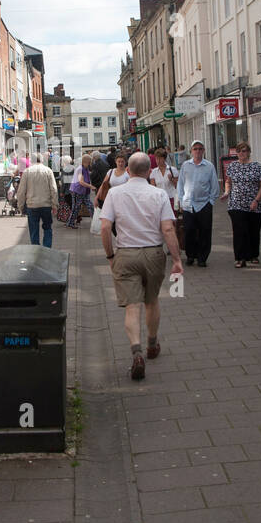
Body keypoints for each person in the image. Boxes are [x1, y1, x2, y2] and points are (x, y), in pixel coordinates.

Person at [100, 152, 184, 381]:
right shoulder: (158, 194)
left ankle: (136, 352)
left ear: (128, 170)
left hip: (126, 254)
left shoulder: (115, 193)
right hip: (154, 253)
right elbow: (168, 229)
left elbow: (105, 228)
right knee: (152, 300)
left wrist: (110, 256)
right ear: (149, 171)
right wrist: (176, 260)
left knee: (132, 306)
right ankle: (152, 344)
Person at [223, 142, 261, 267]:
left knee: (253, 230)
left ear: (249, 152)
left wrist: (256, 200)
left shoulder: (256, 166)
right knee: (239, 230)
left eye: (244, 151)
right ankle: (240, 258)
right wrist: (227, 192)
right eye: (239, 151)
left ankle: (253, 254)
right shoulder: (232, 166)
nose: (242, 154)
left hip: (255, 205)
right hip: (236, 204)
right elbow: (228, 182)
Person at [179, 140, 220, 267]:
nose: (197, 151)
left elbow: (214, 185)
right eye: (195, 149)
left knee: (205, 232)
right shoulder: (185, 165)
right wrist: (181, 200)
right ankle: (191, 255)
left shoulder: (209, 166)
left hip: (204, 204)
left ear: (203, 151)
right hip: (188, 204)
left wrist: (211, 202)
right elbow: (180, 184)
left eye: (200, 149)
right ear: (191, 151)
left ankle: (202, 257)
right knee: (189, 231)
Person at [20, 153, 59, 247]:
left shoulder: (27, 172)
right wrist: (55, 205)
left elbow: (21, 191)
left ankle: (35, 250)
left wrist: (21, 206)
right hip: (46, 205)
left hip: (32, 205)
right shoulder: (48, 171)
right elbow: (54, 189)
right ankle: (47, 248)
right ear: (42, 160)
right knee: (47, 228)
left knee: (34, 230)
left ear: (32, 160)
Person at [67, 154, 93, 227]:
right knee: (76, 208)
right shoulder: (80, 169)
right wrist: (91, 186)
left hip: (84, 191)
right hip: (77, 191)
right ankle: (70, 223)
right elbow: (81, 182)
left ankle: (96, 222)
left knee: (90, 206)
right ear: (86, 161)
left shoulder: (85, 168)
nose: (90, 163)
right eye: (89, 162)